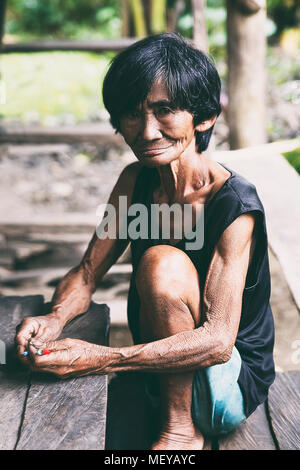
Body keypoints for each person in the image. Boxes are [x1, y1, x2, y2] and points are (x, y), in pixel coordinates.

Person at [15, 33, 275, 450]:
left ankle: (182, 433)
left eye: (165, 110)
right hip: (163, 367)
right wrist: (54, 318)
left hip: (227, 383)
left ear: (204, 118)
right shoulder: (135, 181)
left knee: (161, 263)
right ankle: (170, 413)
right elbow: (86, 274)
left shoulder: (235, 205)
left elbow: (218, 342)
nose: (147, 130)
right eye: (133, 114)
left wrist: (102, 360)